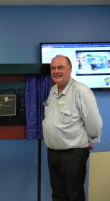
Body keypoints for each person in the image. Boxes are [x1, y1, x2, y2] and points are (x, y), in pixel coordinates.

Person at [42, 55, 102, 201]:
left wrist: (92, 139)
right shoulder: (53, 91)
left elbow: (93, 120)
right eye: (53, 68)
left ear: (70, 69)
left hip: (73, 154)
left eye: (60, 67)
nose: (56, 71)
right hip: (53, 153)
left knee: (74, 195)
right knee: (58, 195)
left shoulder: (81, 91)